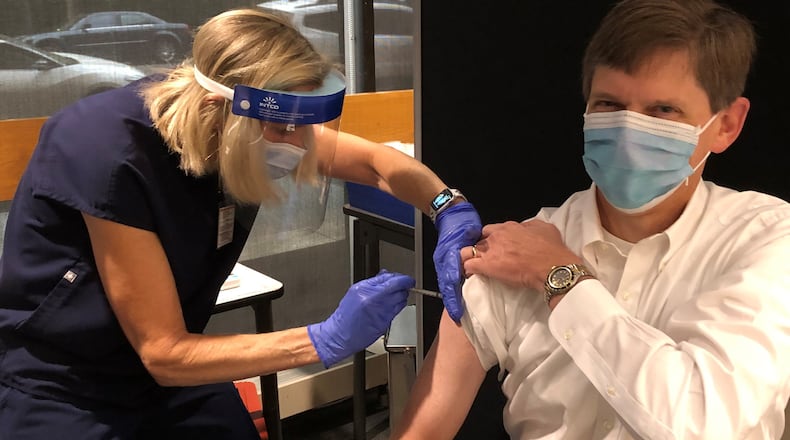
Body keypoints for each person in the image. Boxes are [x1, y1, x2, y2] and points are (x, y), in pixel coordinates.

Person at [0, 8, 481, 439]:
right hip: (62, 380)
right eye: (283, 129)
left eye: (303, 126)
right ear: (218, 110)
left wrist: (447, 206)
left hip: (166, 377)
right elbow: (163, 352)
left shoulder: (252, 132)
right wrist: (323, 338)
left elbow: (378, 163)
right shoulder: (107, 152)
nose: (297, 145)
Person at [392, 0, 790, 439]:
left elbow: (702, 424)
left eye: (662, 111)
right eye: (609, 104)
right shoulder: (511, 251)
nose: (627, 130)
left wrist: (558, 275)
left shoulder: (767, 239)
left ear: (727, 125)